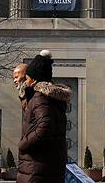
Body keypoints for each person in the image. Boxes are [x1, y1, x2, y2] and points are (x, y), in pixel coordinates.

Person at [17, 50, 71, 183]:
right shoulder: (54, 99)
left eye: (27, 78)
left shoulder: (40, 98)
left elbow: (45, 125)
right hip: (50, 166)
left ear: (34, 80)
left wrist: (24, 144)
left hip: (36, 168)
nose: (26, 81)